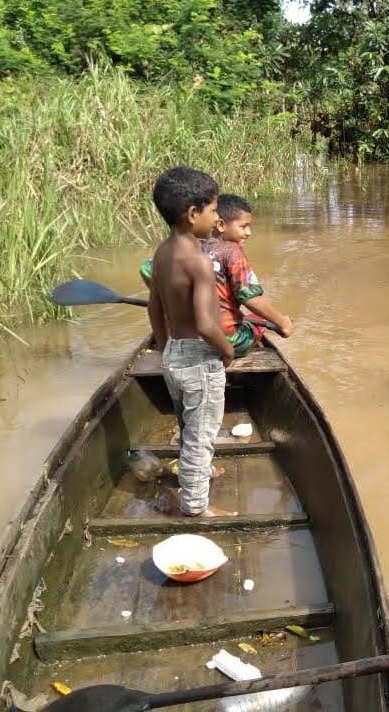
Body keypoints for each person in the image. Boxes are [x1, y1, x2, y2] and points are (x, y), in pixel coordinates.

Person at [146, 165, 237, 518]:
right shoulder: (198, 261)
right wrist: (226, 351)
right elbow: (204, 323)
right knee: (201, 433)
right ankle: (196, 506)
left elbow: (154, 308)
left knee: (189, 424)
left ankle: (202, 471)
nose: (217, 218)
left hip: (172, 353)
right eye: (213, 210)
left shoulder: (161, 252)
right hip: (200, 358)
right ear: (192, 213)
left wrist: (162, 344)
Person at [141, 193, 295, 357]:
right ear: (220, 225)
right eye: (243, 226)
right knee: (256, 319)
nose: (249, 232)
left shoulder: (178, 248)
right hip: (226, 341)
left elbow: (146, 268)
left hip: (180, 339)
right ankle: (242, 349)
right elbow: (251, 299)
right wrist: (282, 322)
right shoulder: (232, 251)